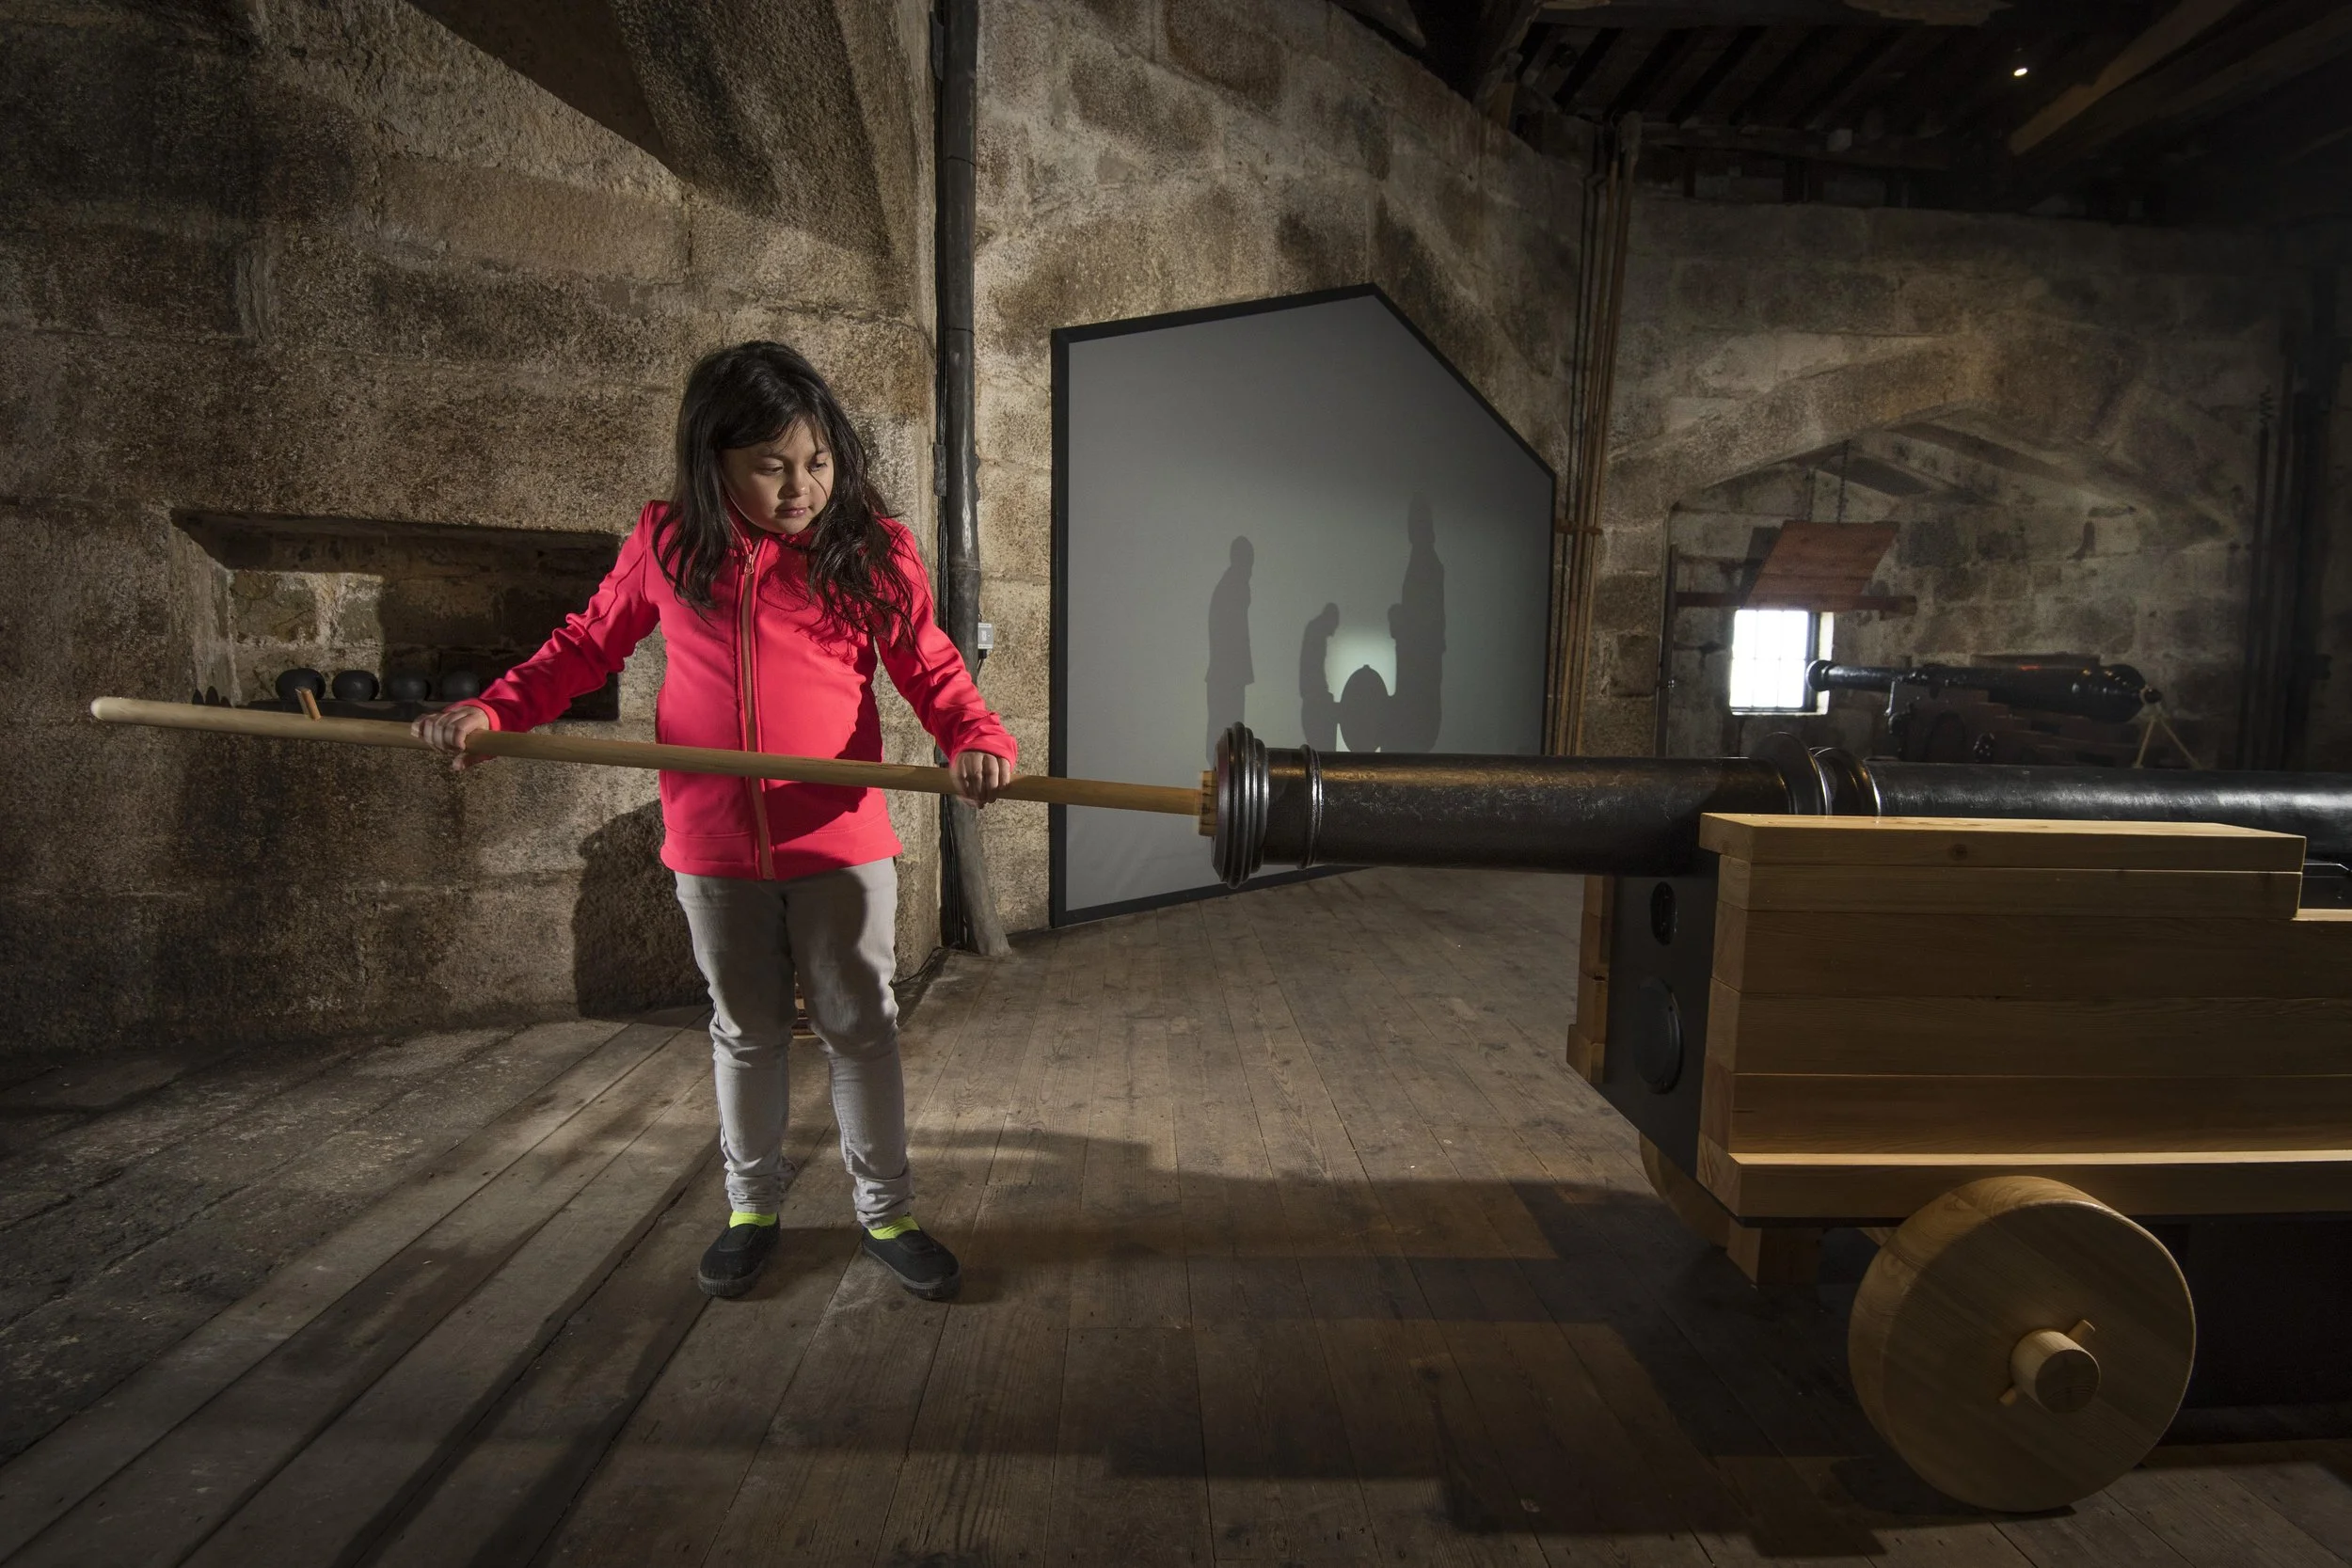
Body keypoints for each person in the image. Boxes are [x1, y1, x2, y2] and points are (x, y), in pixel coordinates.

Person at [412, 341, 1014, 1304]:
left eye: (816, 461)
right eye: (771, 464)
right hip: (717, 847)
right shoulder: (667, 542)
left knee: (861, 1025)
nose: (799, 486)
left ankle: (887, 1210)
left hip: (839, 837)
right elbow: (580, 648)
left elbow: (930, 664)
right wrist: (494, 710)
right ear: (715, 457)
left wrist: (974, 735)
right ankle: (751, 1207)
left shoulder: (869, 546)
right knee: (746, 1028)